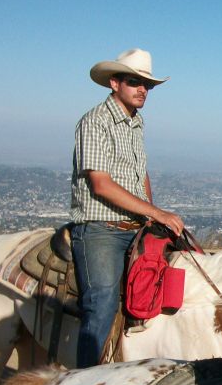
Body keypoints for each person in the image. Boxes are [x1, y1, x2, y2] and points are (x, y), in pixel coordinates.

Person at [70, 48, 185, 367]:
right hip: (100, 228)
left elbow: (139, 173)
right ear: (114, 83)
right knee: (102, 302)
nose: (143, 90)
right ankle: (85, 378)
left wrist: (151, 213)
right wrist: (155, 212)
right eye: (135, 82)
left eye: (147, 84)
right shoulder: (95, 121)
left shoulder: (136, 123)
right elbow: (101, 184)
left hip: (135, 227)